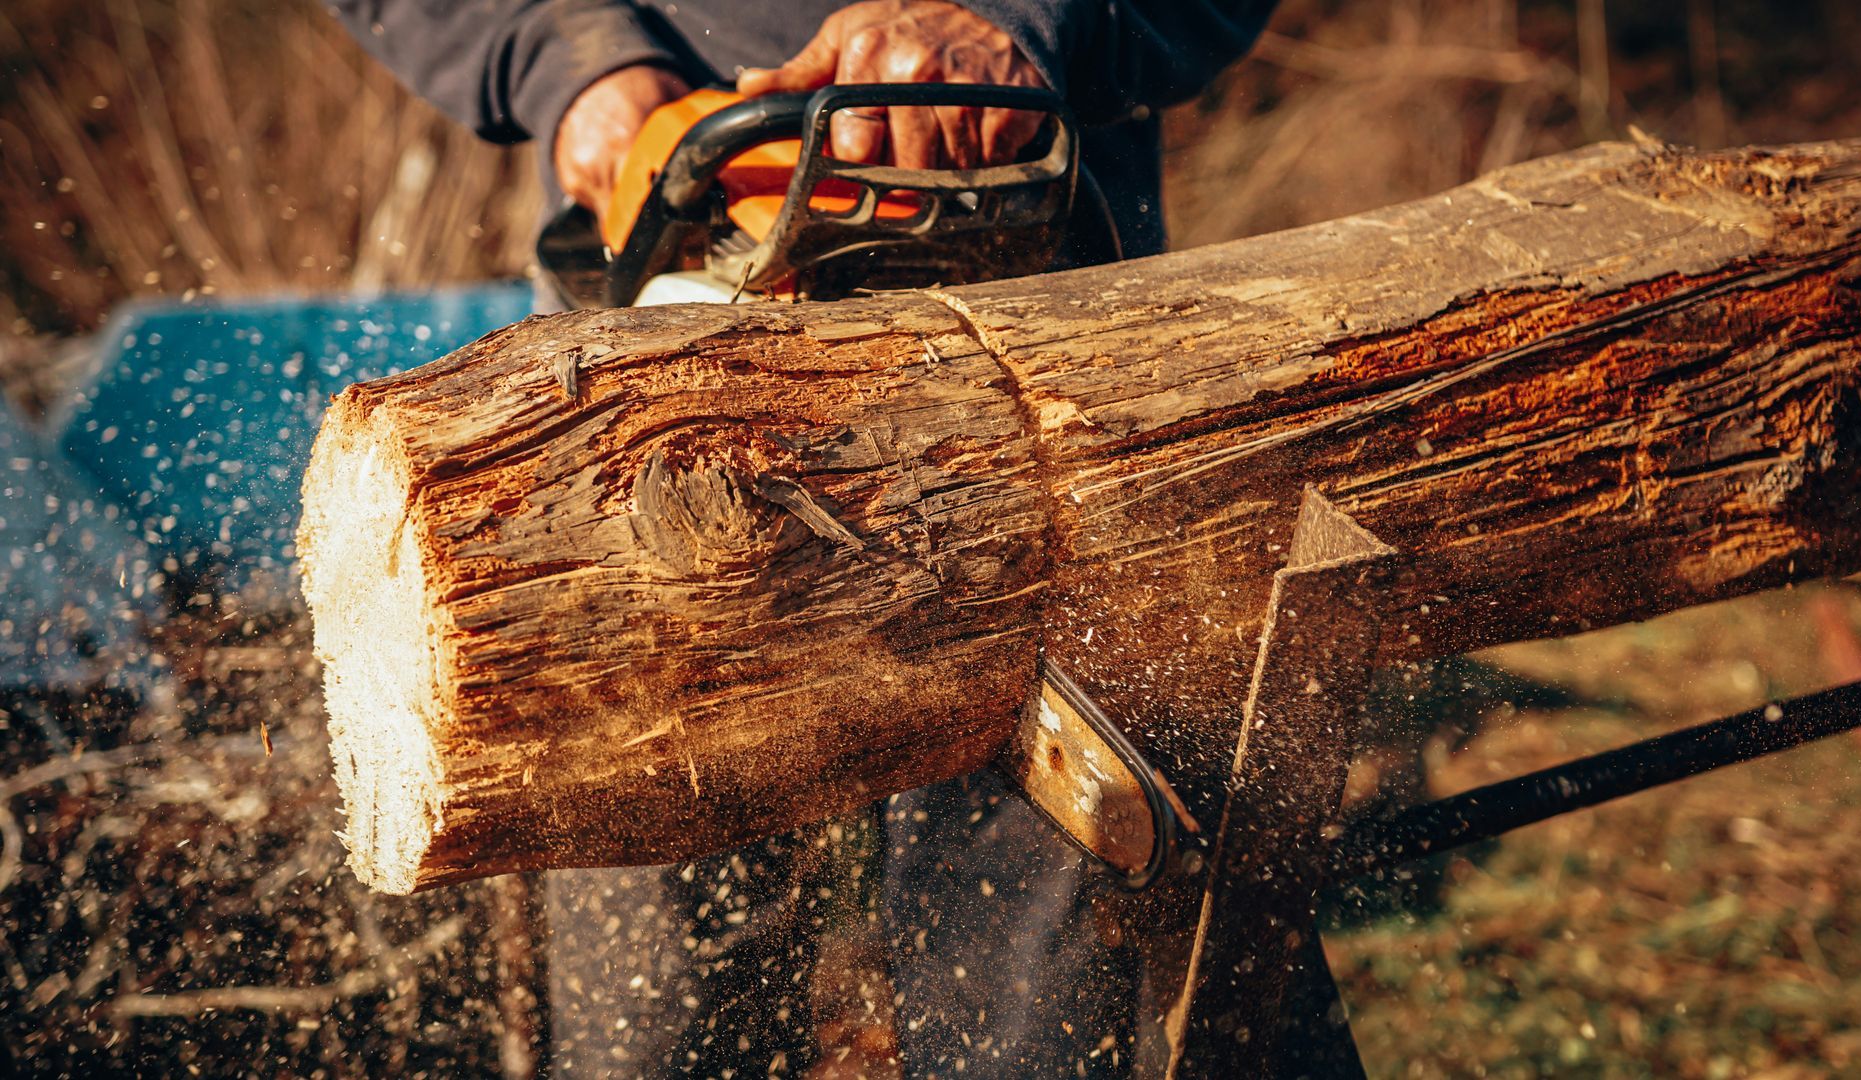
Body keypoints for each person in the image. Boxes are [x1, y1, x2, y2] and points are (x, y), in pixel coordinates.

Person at [328, 3, 1279, 1074]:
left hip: (1036, 337)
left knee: (1064, 999)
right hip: (645, 356)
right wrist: (563, 55)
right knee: (654, 1018)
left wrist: (1025, 18)